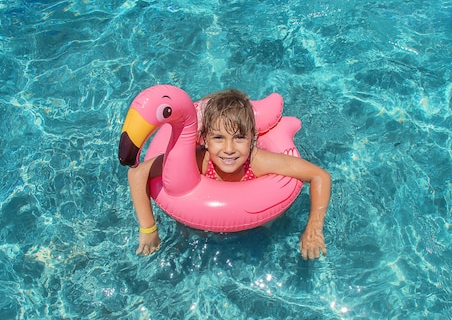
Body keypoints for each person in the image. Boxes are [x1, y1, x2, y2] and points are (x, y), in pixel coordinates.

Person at [127, 88, 332, 260]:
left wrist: (313, 228)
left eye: (239, 138)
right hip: (194, 226)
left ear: (253, 138)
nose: (229, 149)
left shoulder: (258, 161)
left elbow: (320, 176)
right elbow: (138, 173)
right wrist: (148, 229)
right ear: (204, 140)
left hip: (251, 230)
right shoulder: (197, 159)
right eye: (218, 138)